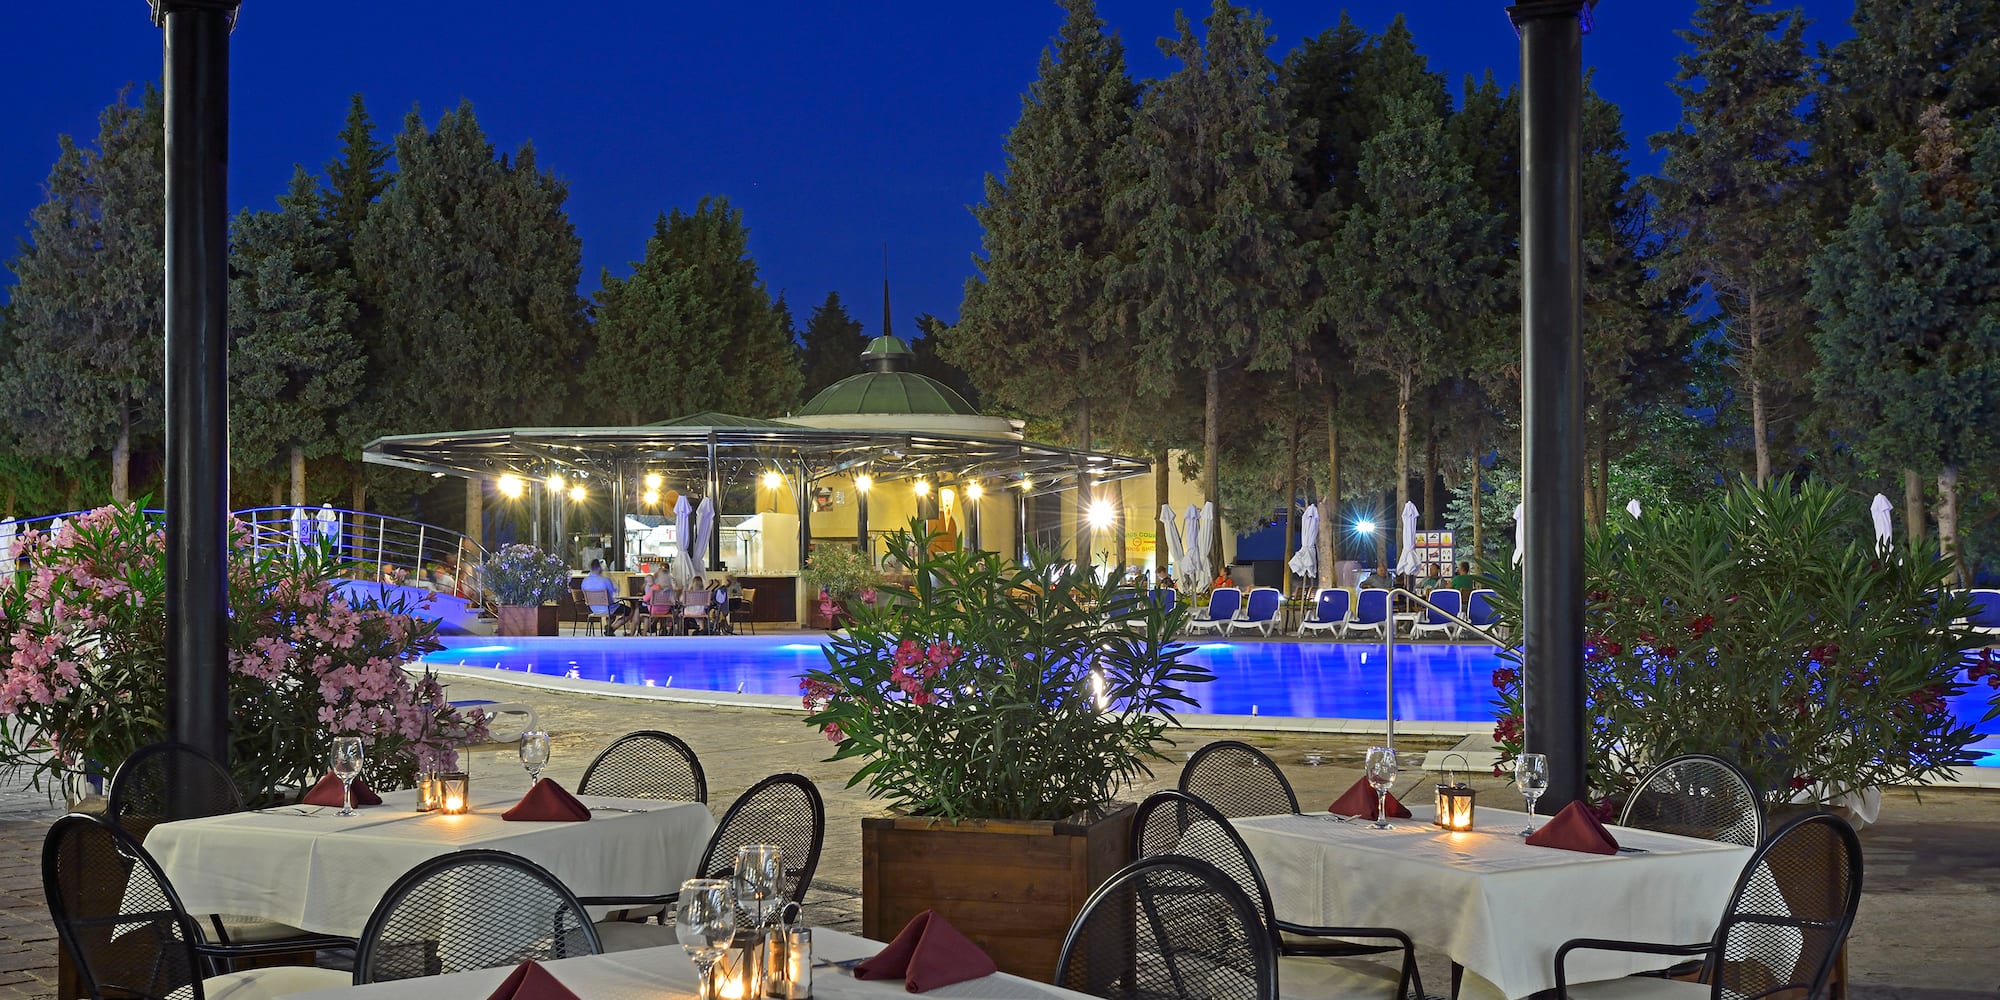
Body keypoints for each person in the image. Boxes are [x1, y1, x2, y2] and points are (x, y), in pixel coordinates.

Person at [581, 559, 634, 635]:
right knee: (629, 611)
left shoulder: (585, 581)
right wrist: (609, 576)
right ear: (599, 568)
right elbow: (614, 591)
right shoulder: (605, 580)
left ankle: (609, 627)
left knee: (612, 611)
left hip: (593, 609)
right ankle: (612, 628)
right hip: (607, 608)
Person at [642, 567, 676, 635]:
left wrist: (643, 597)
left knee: (640, 608)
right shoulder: (670, 589)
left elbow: (646, 599)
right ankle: (662, 628)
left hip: (654, 610)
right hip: (666, 610)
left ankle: (647, 629)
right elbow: (673, 601)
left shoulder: (654, 588)